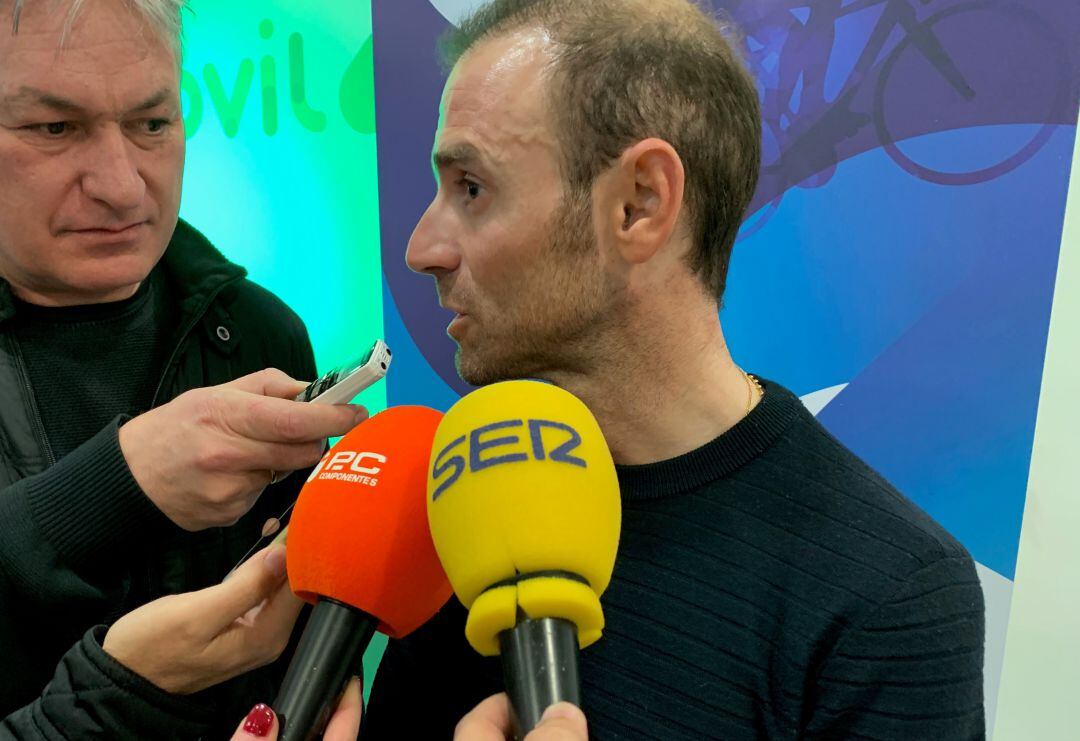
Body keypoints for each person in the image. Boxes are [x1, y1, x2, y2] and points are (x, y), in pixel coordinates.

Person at [363, 0, 986, 738]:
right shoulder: (460, 497)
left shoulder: (888, 594)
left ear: (639, 203)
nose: (421, 247)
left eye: (471, 187)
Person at [0, 0, 365, 735]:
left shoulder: (263, 332)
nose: (123, 185)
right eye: (54, 128)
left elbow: (300, 642)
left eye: (152, 124)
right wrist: (112, 486)